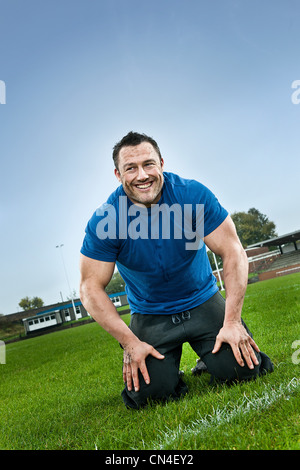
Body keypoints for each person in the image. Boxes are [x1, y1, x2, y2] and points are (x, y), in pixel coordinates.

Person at [79, 131, 273, 409]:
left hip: (202, 300)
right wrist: (130, 343)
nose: (141, 175)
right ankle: (169, 374)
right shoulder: (106, 219)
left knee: (243, 371)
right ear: (118, 174)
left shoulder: (191, 195)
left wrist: (232, 322)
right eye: (130, 168)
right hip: (151, 314)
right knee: (151, 394)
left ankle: (210, 358)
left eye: (148, 164)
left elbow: (233, 252)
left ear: (161, 163)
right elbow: (89, 288)